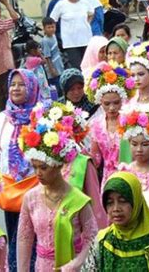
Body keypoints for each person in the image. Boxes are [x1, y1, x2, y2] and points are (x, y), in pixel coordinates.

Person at [17, 101, 99, 270]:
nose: (38, 173)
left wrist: (76, 263)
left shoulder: (78, 200)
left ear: (59, 165)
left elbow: (92, 238)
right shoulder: (31, 198)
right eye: (35, 167)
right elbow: (24, 238)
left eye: (44, 167)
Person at [0, 69, 41, 270]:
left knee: (33, 238)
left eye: (21, 84)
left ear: (32, 88)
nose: (16, 89)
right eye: (13, 84)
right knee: (14, 236)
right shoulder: (3, 117)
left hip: (36, 188)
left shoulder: (40, 116)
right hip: (10, 190)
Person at [81, 172, 149, 271]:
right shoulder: (103, 241)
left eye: (123, 201)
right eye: (110, 203)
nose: (116, 209)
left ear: (136, 201)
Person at [86, 61, 135, 186]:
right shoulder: (95, 125)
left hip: (132, 176)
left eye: (116, 103)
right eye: (107, 104)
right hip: (109, 181)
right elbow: (96, 160)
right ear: (100, 102)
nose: (112, 108)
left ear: (122, 100)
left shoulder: (131, 120)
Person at [50, 0, 93, 70]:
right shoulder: (61, 5)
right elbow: (53, 19)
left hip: (86, 39)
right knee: (77, 66)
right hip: (71, 42)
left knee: (88, 66)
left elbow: (91, 14)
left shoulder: (85, 3)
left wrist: (86, 24)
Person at [41, 17, 65, 97]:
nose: (51, 29)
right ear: (44, 28)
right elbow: (47, 57)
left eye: (53, 27)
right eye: (49, 27)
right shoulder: (45, 41)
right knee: (56, 90)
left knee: (61, 87)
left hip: (59, 66)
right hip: (53, 70)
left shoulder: (54, 36)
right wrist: (52, 70)